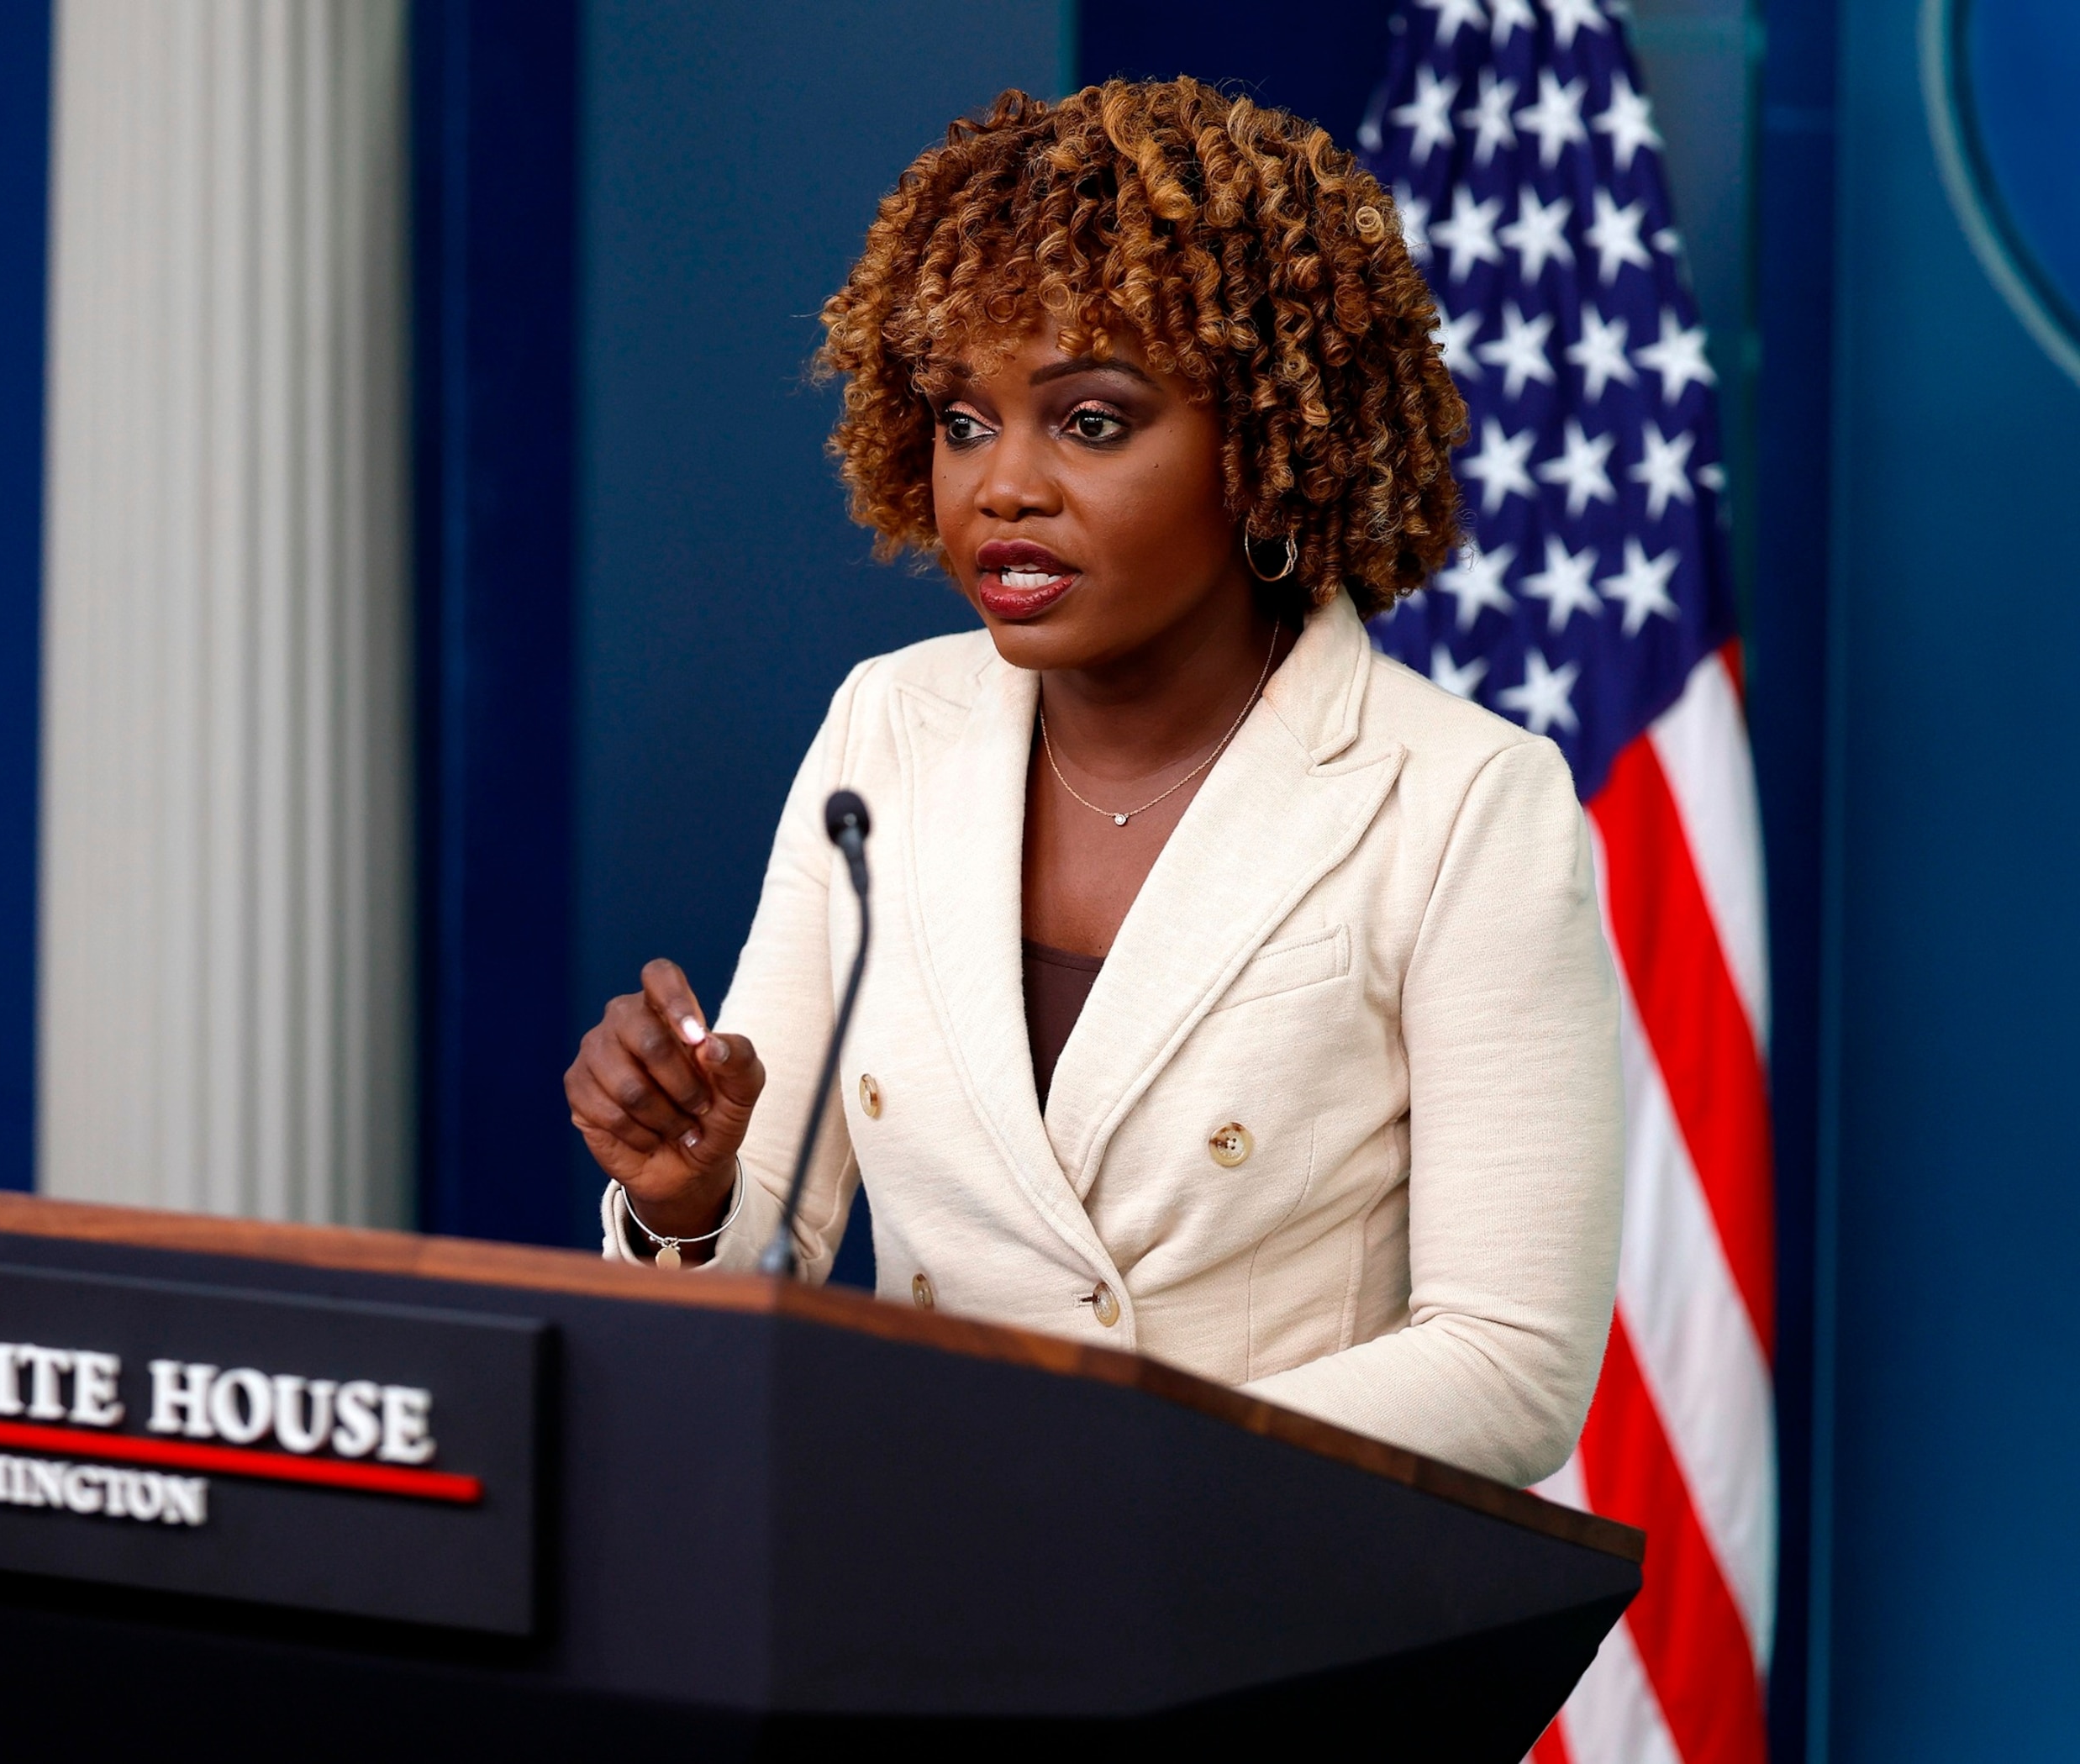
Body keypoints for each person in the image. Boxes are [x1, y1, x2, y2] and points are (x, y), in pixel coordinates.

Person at [561, 79, 1619, 1488]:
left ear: (1262, 448)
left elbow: (1511, 1368)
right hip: (907, 1605)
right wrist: (689, 1198)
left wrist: (1093, 1477)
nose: (1002, 486)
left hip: (1251, 1620)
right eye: (961, 419)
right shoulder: (889, 727)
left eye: (1094, 422)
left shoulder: (1462, 801)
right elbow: (765, 1253)